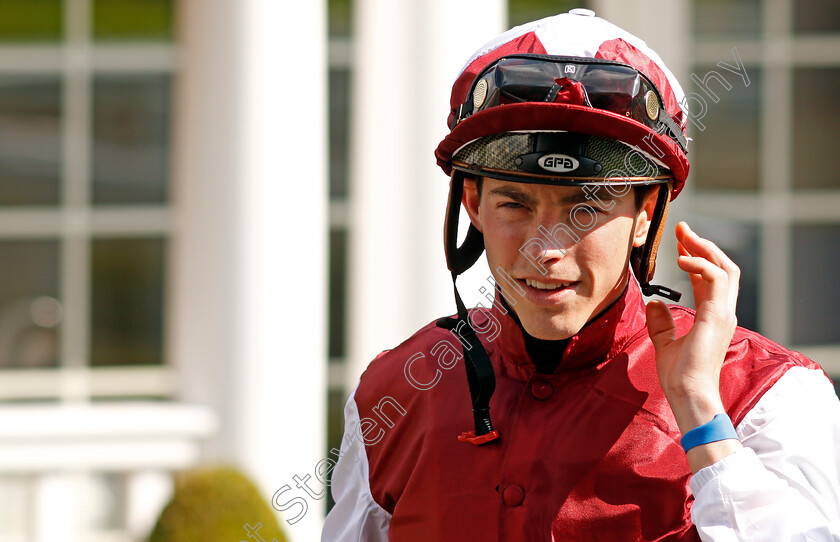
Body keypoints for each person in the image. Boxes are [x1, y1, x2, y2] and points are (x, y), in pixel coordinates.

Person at [322, 9, 840, 541]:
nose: (546, 248)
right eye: (515, 204)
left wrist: (699, 406)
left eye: (585, 209)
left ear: (645, 215)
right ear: (472, 204)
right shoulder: (391, 394)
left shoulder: (774, 394)